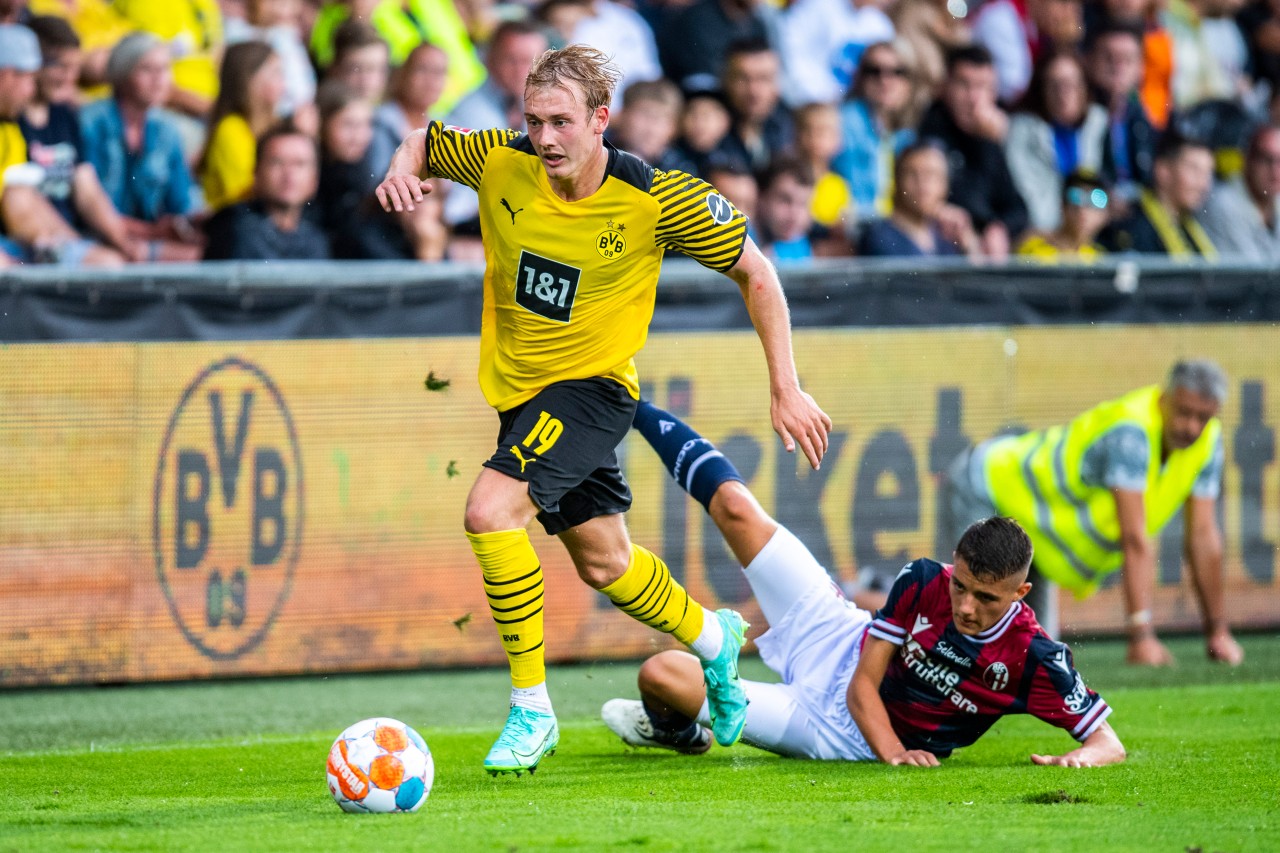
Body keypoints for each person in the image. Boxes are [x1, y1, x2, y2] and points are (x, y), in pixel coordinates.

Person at [376, 44, 831, 776]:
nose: (545, 138)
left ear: (600, 119)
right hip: (523, 397)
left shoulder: (656, 197)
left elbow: (757, 270)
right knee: (606, 562)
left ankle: (532, 708)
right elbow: (420, 140)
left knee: (490, 512)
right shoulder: (499, 159)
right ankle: (715, 640)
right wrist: (402, 170)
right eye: (533, 121)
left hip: (594, 390)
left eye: (560, 122)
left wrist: (786, 383)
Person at [602, 400, 1126, 768]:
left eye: (985, 598)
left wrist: (1083, 755)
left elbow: (1108, 742)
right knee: (738, 508)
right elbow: (862, 685)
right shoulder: (924, 579)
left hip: (835, 734)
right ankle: (630, 399)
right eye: (960, 586)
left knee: (661, 673)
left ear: (1020, 595)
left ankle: (676, 731)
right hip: (837, 642)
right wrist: (896, 756)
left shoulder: (1033, 657)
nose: (965, 606)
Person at [942, 360, 1245, 667]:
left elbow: (1204, 537)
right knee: (969, 627)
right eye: (1184, 412)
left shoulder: (1208, 443)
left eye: (1203, 417)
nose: (1192, 427)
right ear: (1164, 399)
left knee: (1031, 662)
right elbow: (1135, 539)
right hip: (986, 487)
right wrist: (1141, 637)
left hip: (1038, 535)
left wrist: (1217, 631)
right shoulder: (1131, 431)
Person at [79, 31, 204, 261]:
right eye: (147, 69)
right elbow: (87, 205)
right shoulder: (90, 122)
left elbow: (183, 203)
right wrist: (151, 232)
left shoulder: (167, 130)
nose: (159, 79)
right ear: (123, 74)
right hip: (96, 236)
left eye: (164, 69)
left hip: (146, 241)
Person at [918, 45, 1029, 260]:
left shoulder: (992, 137)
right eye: (964, 85)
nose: (973, 98)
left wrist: (1000, 227)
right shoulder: (928, 131)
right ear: (945, 87)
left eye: (982, 87)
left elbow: (1019, 209)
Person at [1005, 52, 1108, 231]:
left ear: (1084, 87)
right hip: (1041, 233)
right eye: (1055, 85)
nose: (1063, 94)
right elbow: (1026, 193)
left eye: (1070, 85)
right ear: (1041, 89)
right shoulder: (1021, 132)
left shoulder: (1099, 124)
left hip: (1091, 235)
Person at [203, 124, 330, 260]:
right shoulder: (233, 229)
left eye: (299, 164)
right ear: (256, 173)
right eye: (277, 163)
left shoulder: (320, 236)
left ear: (315, 179)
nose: (289, 174)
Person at [197, 40, 286, 212]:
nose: (283, 82)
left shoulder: (275, 123)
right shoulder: (230, 129)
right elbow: (243, 194)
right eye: (276, 73)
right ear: (249, 80)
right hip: (234, 221)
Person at [834, 40, 916, 222]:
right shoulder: (843, 121)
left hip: (889, 227)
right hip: (851, 224)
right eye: (874, 71)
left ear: (909, 82)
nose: (885, 80)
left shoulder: (907, 133)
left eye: (897, 72)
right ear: (860, 78)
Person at [1100, 132, 1216, 256]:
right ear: (1163, 170)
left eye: (1208, 174)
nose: (1204, 185)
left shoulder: (1190, 229)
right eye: (1194, 170)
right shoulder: (1132, 230)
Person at [857, 141, 978, 257]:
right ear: (897, 181)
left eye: (931, 174)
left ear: (946, 183)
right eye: (912, 174)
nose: (922, 183)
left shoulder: (946, 234)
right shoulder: (880, 238)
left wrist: (968, 243)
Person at [1200, 123, 1280, 262]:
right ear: (1247, 161)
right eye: (1266, 159)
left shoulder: (1276, 199)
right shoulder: (1224, 204)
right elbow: (1255, 274)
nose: (1275, 171)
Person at [1015, 169, 1111, 260]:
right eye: (1075, 197)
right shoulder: (1035, 246)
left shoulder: (1100, 258)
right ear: (1062, 205)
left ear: (1106, 214)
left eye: (1096, 200)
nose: (1082, 210)